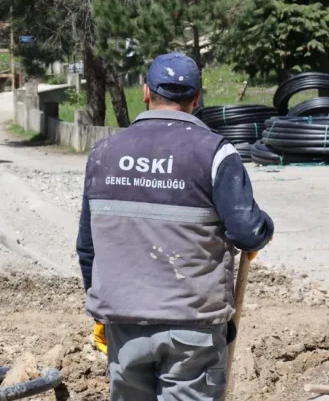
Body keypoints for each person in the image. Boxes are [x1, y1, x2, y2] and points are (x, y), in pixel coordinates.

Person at [75, 52, 274, 400]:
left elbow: (87, 246)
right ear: (197, 99)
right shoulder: (215, 154)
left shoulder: (103, 154)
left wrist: (101, 309)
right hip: (192, 323)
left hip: (124, 321)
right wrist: (264, 228)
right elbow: (247, 231)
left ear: (146, 92)